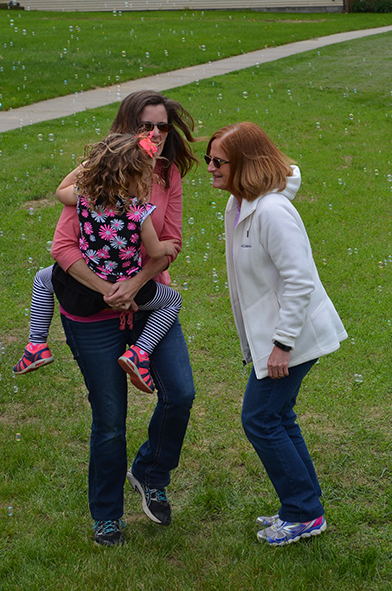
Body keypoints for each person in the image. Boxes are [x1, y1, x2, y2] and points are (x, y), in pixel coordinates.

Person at [49, 91, 198, 546]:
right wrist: (109, 291)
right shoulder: (99, 173)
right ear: (126, 126)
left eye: (163, 127)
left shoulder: (166, 174)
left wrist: (134, 286)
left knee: (181, 392)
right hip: (94, 309)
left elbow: (168, 240)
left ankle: (150, 472)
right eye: (146, 126)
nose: (155, 135)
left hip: (149, 297)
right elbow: (63, 247)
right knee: (110, 418)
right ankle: (108, 515)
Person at [206, 122, 347, 546]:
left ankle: (304, 512)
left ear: (244, 163)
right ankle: (305, 508)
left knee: (260, 418)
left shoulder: (271, 211)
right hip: (280, 335)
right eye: (207, 160)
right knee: (278, 417)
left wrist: (282, 344)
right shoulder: (240, 205)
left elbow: (299, 280)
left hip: (294, 335)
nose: (209, 168)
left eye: (218, 162)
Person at [14, 132, 182, 396]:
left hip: (87, 281)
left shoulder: (85, 198)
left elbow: (60, 191)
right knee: (172, 300)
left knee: (42, 279)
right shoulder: (140, 211)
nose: (149, 184)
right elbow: (155, 250)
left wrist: (91, 164)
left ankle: (36, 345)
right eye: (146, 178)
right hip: (130, 285)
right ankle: (140, 352)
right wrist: (167, 247)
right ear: (134, 179)